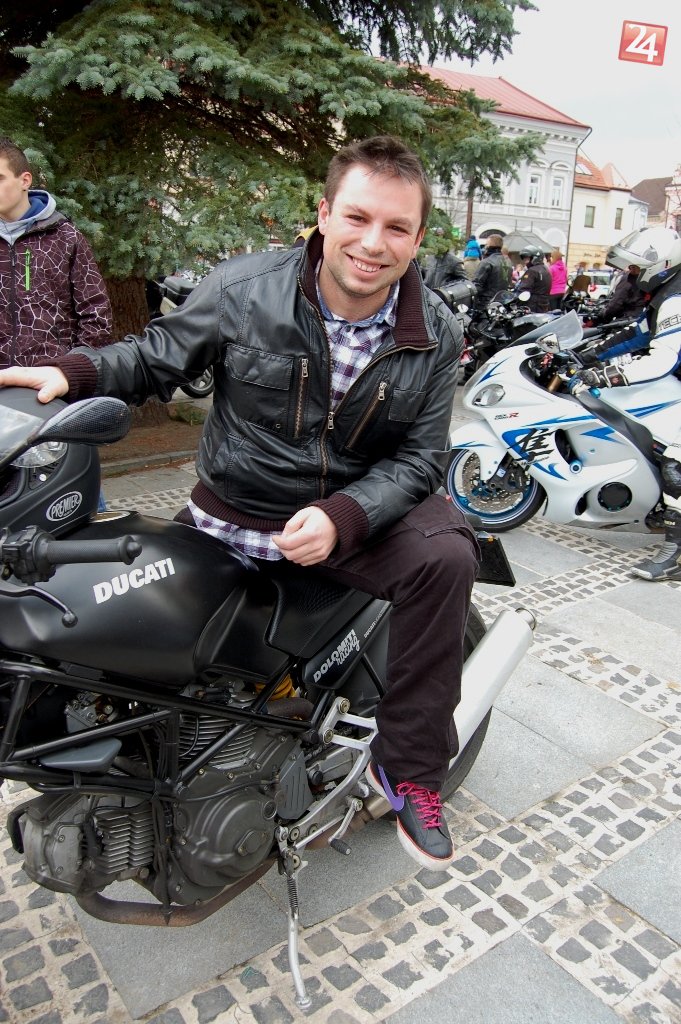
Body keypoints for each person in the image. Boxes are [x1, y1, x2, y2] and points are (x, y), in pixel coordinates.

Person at [0, 135, 480, 871]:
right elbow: (153, 356)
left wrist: (344, 516)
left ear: (417, 239)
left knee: (447, 554)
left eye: (396, 227)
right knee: (120, 636)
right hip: (234, 514)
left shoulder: (436, 332)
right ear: (324, 214)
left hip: (355, 520)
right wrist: (73, 374)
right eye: (357, 218)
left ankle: (412, 770)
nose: (371, 243)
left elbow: (421, 459)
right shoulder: (244, 289)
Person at [567, 227, 681, 580]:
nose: (631, 275)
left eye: (635, 269)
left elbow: (662, 358)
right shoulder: (665, 294)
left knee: (675, 458)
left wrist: (607, 377)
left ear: (659, 265)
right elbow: (636, 334)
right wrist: (584, 354)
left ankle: (675, 555)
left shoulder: (676, 298)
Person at [0, 137, 112, 368]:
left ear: (25, 180)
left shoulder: (64, 236)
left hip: (49, 379)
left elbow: (96, 313)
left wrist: (70, 370)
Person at [472, 233, 512, 309]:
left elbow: (476, 285)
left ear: (489, 246)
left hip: (486, 304)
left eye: (486, 244)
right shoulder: (508, 262)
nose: (485, 247)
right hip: (502, 303)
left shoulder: (487, 262)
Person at [516, 244, 551, 312]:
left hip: (532, 306)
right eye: (524, 259)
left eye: (527, 259)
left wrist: (517, 301)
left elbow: (524, 289)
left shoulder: (532, 271)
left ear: (535, 258)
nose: (525, 262)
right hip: (544, 304)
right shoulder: (546, 269)